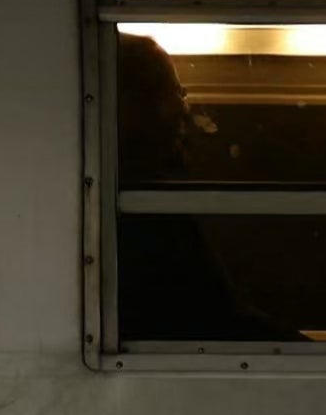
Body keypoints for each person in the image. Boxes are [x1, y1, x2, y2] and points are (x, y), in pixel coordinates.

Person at [104, 38, 301, 343]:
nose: (185, 108)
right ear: (133, 105)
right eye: (174, 92)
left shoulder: (130, 206)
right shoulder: (149, 217)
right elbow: (216, 320)